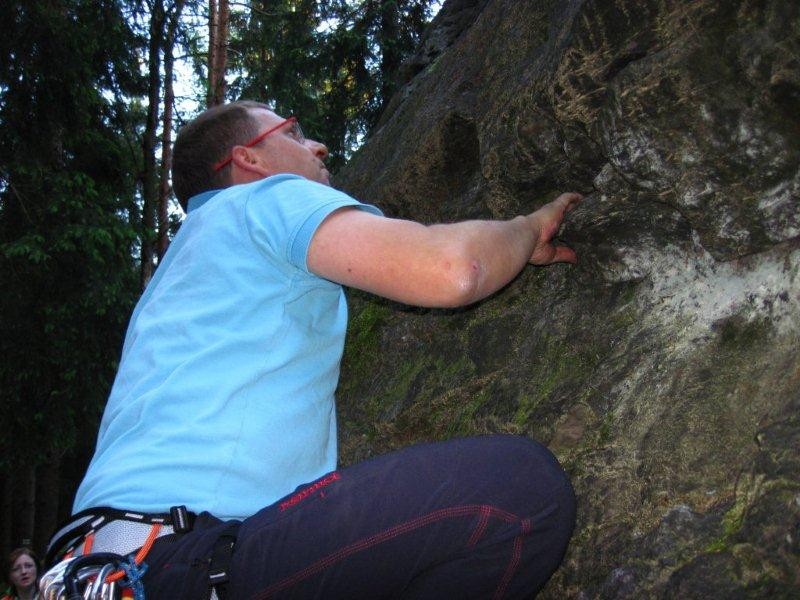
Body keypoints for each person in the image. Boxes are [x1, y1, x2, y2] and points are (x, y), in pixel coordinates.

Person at [46, 100, 579, 599]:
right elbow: (454, 269)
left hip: (109, 564)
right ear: (249, 159)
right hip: (178, 561)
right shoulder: (264, 198)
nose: (319, 146)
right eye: (294, 132)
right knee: (518, 492)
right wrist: (527, 230)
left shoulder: (181, 273)